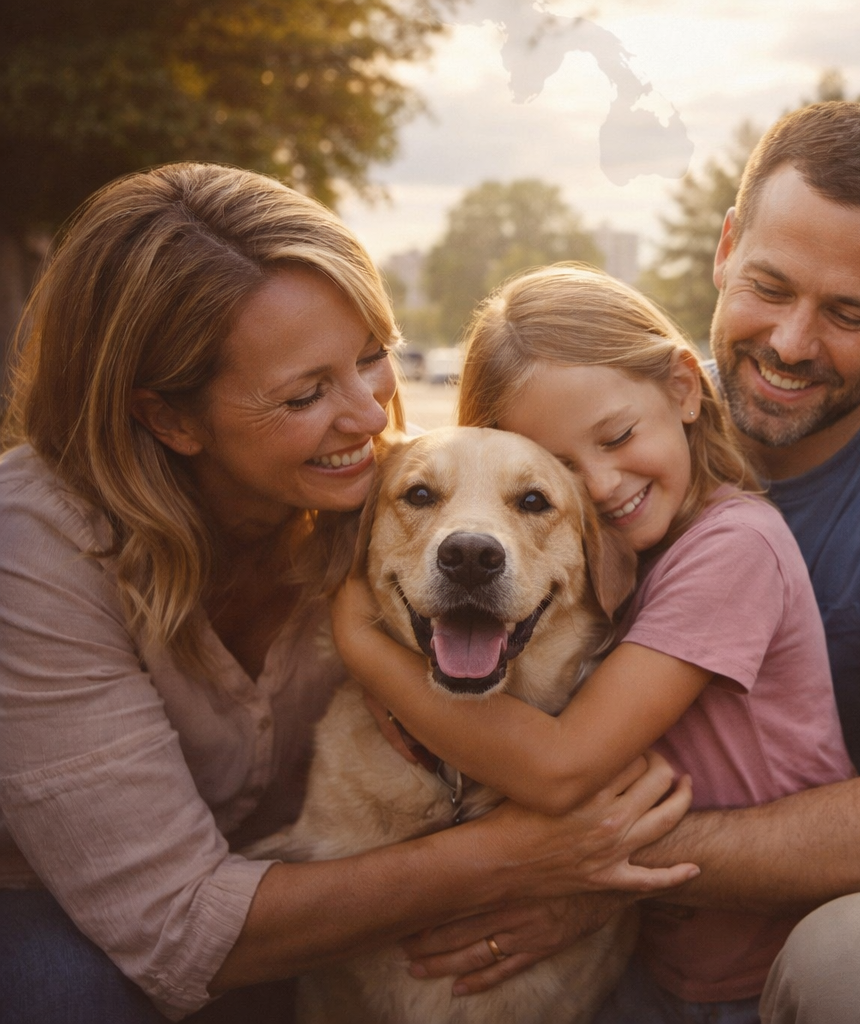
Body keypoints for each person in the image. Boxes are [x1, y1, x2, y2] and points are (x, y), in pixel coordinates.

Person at [0, 164, 694, 1024]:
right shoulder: (33, 551)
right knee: (65, 989)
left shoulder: (367, 496)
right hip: (75, 916)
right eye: (306, 392)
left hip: (298, 907)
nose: (371, 419)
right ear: (170, 419)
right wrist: (523, 855)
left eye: (374, 360)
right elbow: (180, 930)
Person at [401, 102, 860, 1023]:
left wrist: (591, 872)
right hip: (644, 935)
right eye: (770, 287)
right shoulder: (616, 417)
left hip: (825, 920)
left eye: (848, 312)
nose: (790, 343)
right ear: (727, 246)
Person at [329, 264, 856, 1014]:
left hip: (758, 973)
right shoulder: (625, 548)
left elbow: (559, 769)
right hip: (654, 963)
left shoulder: (732, 546)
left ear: (682, 389)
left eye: (616, 437)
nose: (602, 486)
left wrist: (364, 645)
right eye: (563, 470)